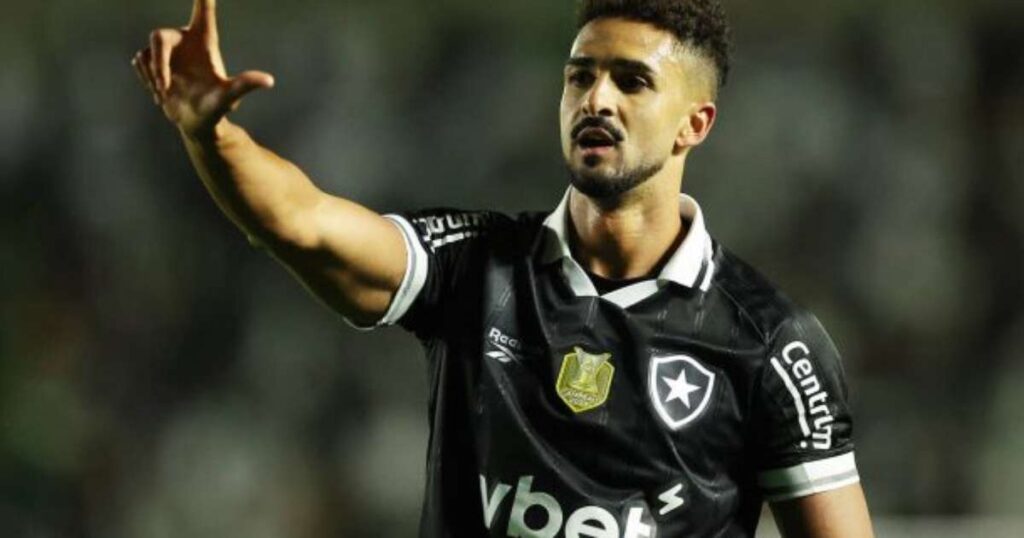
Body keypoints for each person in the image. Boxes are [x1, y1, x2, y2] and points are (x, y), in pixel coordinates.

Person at [131, 0, 875, 536]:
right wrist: (211, 135)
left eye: (631, 81)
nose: (596, 99)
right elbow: (303, 222)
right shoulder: (476, 267)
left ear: (695, 124)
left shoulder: (771, 343)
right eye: (580, 77)